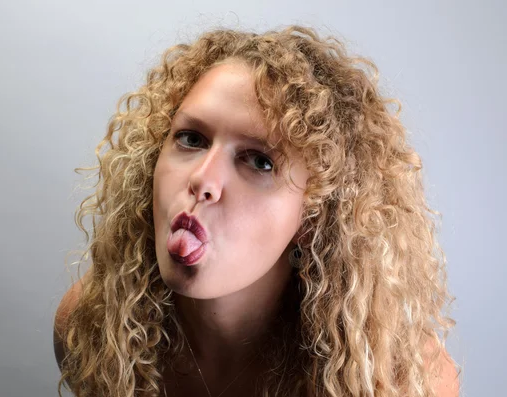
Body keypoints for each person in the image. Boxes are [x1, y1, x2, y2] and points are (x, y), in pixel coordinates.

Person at [53, 25, 460, 397]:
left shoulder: (405, 380)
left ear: (314, 214)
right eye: (191, 138)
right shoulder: (91, 327)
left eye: (259, 162)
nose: (203, 180)